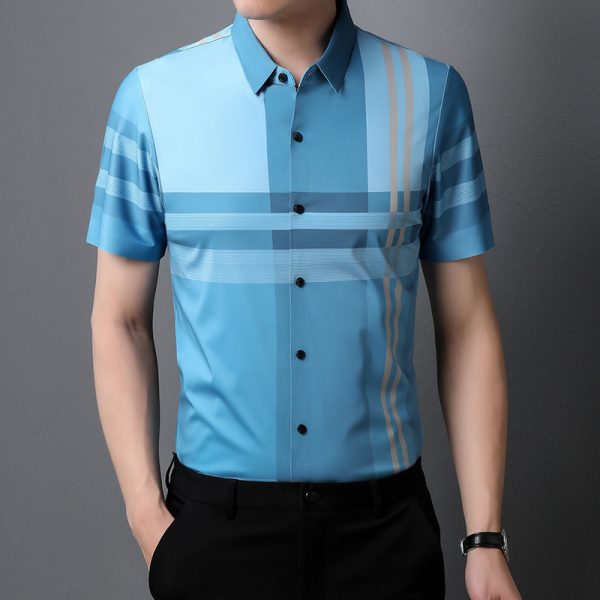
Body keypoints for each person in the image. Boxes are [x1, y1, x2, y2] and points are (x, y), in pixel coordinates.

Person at [85, 0, 522, 598]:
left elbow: (467, 324)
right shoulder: (151, 99)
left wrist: (485, 538)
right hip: (212, 537)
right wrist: (146, 517)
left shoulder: (433, 94)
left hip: (385, 539)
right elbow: (121, 320)